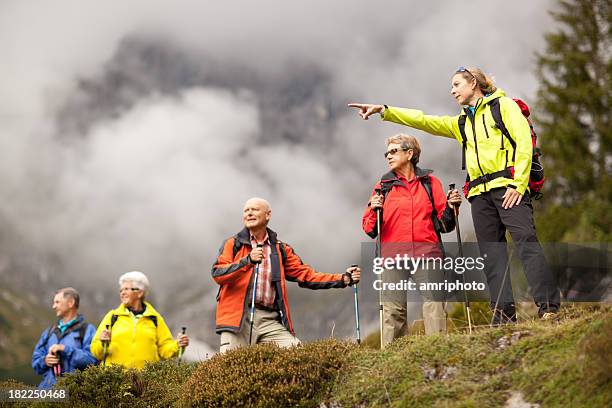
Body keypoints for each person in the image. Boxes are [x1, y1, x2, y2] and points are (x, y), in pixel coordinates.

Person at [349, 66, 560, 322]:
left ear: (473, 83)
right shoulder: (462, 122)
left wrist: (518, 184)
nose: (452, 91)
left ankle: (548, 307)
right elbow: (425, 120)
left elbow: (524, 144)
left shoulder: (503, 106)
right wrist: (385, 110)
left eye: (456, 85)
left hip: (508, 187)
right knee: (492, 256)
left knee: (526, 242)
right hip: (480, 195)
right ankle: (504, 315)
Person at [212, 197, 361, 353]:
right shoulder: (232, 244)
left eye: (254, 209)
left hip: (269, 319)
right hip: (238, 320)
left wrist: (343, 278)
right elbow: (218, 274)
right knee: (234, 369)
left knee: (297, 353)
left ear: (268, 215)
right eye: (246, 210)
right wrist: (247, 261)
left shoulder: (280, 249)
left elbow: (306, 275)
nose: (249, 213)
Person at [363, 134, 461, 345]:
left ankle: (438, 351)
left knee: (435, 305)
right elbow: (369, 228)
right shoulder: (383, 186)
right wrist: (374, 208)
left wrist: (453, 208)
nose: (388, 156)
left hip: (428, 254)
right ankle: (391, 362)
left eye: (393, 151)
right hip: (392, 257)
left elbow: (446, 225)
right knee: (393, 312)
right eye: (386, 153)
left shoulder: (430, 183)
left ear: (410, 153)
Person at [90, 271, 189, 368]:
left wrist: (178, 344)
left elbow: (165, 350)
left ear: (140, 293)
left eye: (126, 289)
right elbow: (95, 351)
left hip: (145, 382)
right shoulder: (112, 317)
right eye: (121, 290)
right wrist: (102, 343)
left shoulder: (155, 319)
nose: (122, 293)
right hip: (115, 381)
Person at [32, 287, 97, 388]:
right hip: (47, 393)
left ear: (70, 303)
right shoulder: (49, 331)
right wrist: (45, 361)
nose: (53, 306)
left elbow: (92, 362)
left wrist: (66, 349)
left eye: (57, 302)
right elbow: (35, 362)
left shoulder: (88, 330)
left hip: (74, 395)